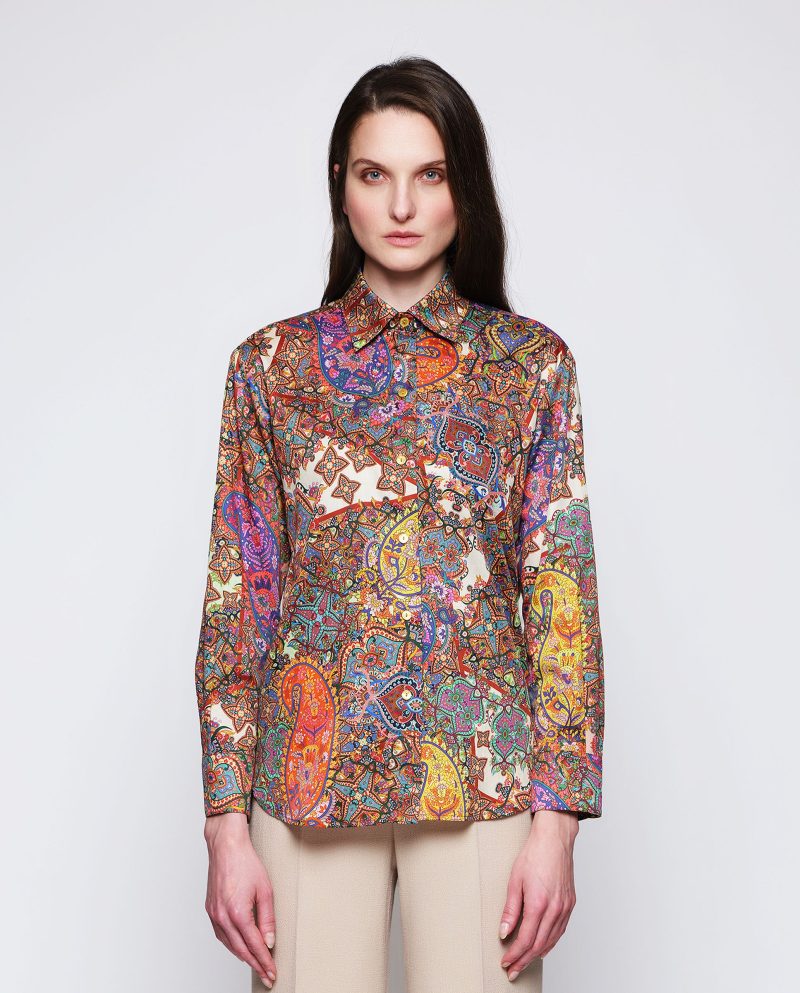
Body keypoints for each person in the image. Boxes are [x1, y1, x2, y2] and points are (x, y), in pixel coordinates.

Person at [194, 56, 605, 993]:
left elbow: (561, 601)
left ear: (466, 187)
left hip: (485, 775)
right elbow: (238, 599)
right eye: (375, 174)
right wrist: (224, 823)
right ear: (340, 185)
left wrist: (557, 823)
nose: (404, 205)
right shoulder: (270, 368)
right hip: (305, 778)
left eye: (432, 174)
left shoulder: (531, 367)